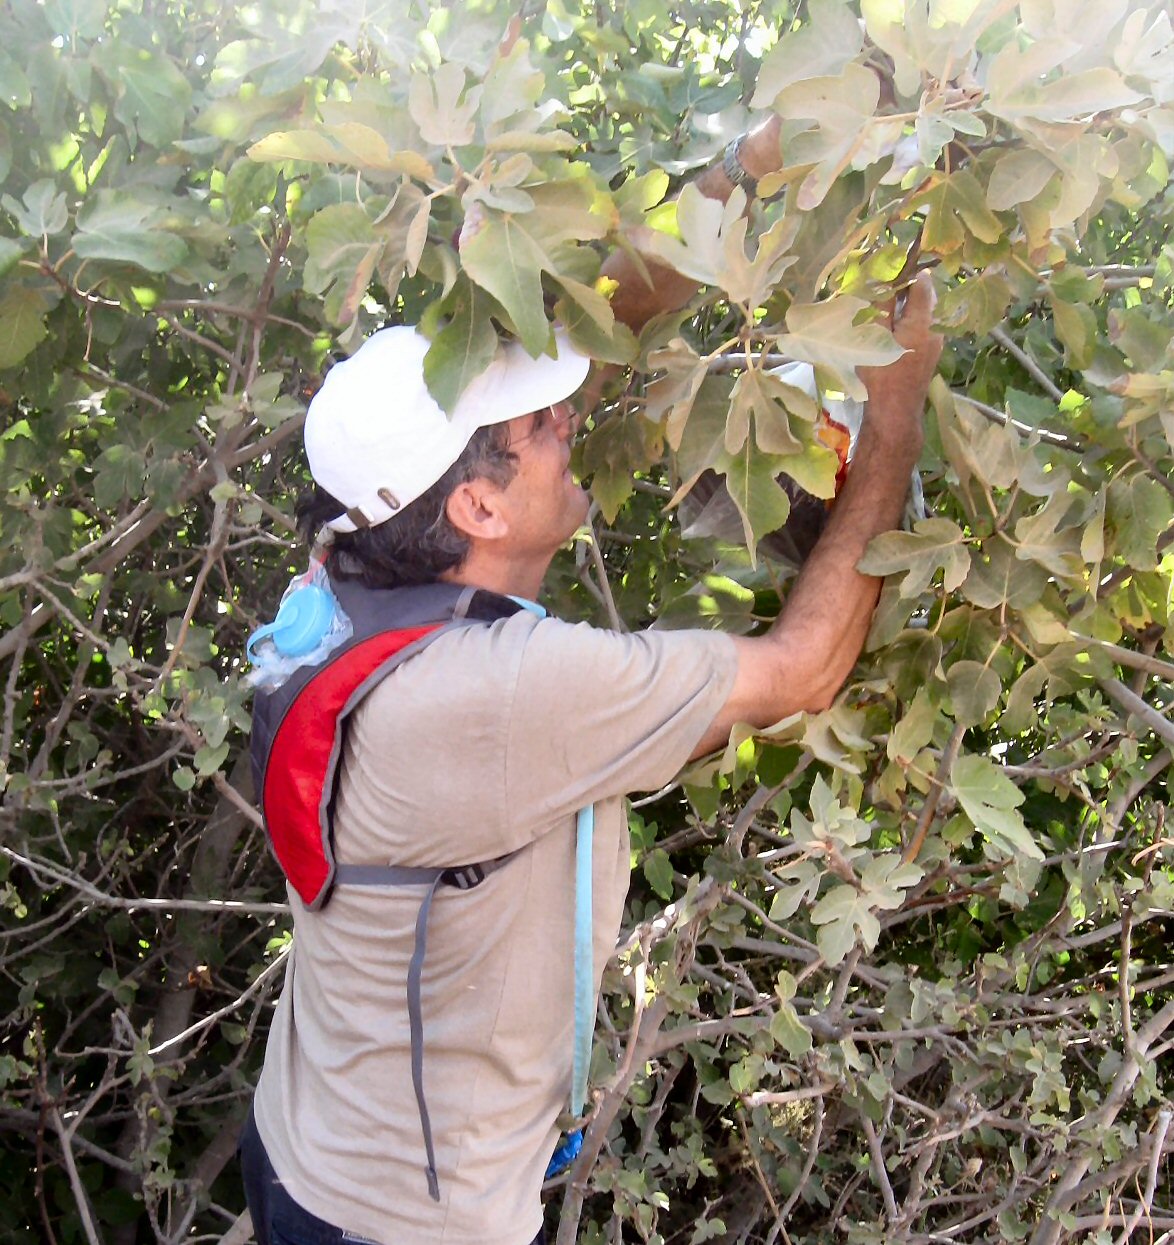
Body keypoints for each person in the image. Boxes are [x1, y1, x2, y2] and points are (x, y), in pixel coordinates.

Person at [238, 112, 943, 1245]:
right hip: (402, 1225)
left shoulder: (348, 567)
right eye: (545, 423)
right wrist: (895, 411)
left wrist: (751, 169)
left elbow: (594, 321)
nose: (575, 417)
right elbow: (803, 669)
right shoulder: (506, 695)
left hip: (302, 1137)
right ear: (474, 505)